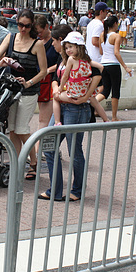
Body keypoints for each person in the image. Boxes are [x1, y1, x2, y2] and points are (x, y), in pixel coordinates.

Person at [39, 25, 103, 202]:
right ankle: (56, 190)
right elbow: (56, 79)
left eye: (54, 41)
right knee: (50, 146)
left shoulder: (79, 59)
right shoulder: (63, 59)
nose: (52, 44)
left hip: (75, 108)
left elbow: (98, 73)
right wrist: (56, 89)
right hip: (63, 105)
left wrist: (86, 97)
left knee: (74, 151)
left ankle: (76, 190)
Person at [0, 9, 47, 180]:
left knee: (22, 128)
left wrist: (29, 82)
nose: (23, 29)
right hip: (11, 90)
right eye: (21, 25)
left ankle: (34, 162)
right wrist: (0, 62)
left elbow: (43, 71)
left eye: (27, 26)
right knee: (13, 129)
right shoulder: (11, 37)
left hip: (28, 92)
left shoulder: (37, 44)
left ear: (32, 26)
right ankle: (16, 162)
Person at [55, 32, 108, 125]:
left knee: (55, 97)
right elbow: (101, 67)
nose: (68, 50)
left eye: (70, 47)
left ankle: (57, 121)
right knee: (94, 101)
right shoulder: (86, 59)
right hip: (84, 90)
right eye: (66, 48)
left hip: (74, 91)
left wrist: (60, 88)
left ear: (78, 47)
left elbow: (65, 76)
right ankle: (106, 120)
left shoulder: (71, 59)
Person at [33, 14, 60, 167]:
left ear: (46, 28)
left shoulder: (54, 42)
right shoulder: (38, 41)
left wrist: (47, 70)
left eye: (39, 32)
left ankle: (36, 152)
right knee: (44, 120)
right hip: (40, 81)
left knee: (44, 120)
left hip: (49, 81)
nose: (38, 35)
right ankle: (41, 149)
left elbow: (62, 61)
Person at [96, 15, 132, 121]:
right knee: (115, 91)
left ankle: (92, 102)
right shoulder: (116, 36)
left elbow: (101, 52)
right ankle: (114, 116)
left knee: (105, 90)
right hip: (113, 64)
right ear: (115, 24)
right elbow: (116, 52)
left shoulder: (102, 35)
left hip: (104, 64)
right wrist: (125, 67)